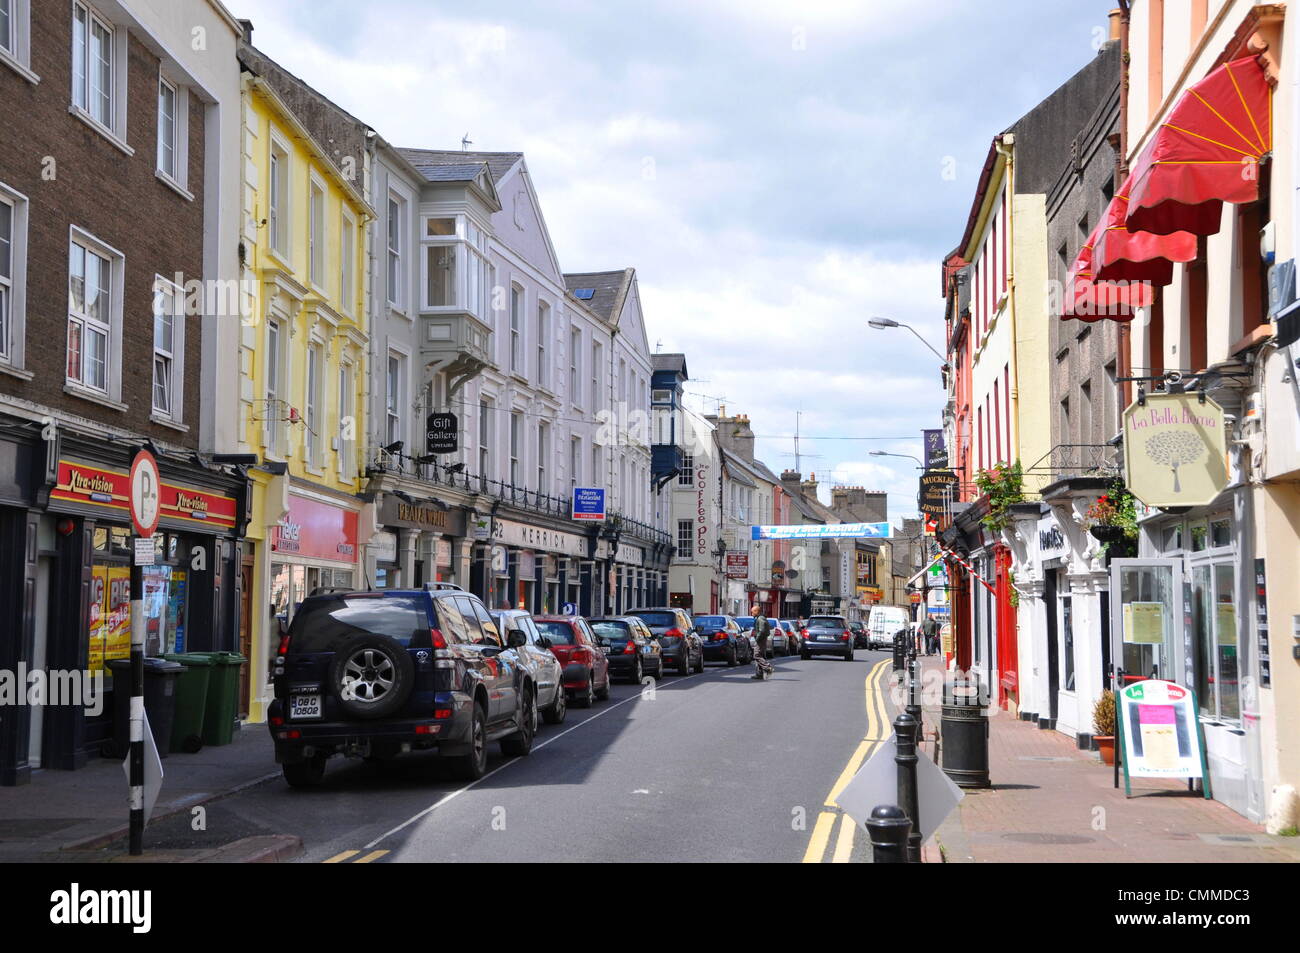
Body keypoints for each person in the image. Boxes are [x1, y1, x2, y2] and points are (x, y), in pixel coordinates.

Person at [750, 606, 773, 679]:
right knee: (760, 655)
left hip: (761, 640)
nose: (752, 613)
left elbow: (762, 630)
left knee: (756, 655)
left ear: (757, 611)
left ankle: (768, 667)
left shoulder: (760, 618)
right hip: (762, 639)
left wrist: (757, 638)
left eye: (753, 612)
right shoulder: (760, 618)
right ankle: (759, 674)